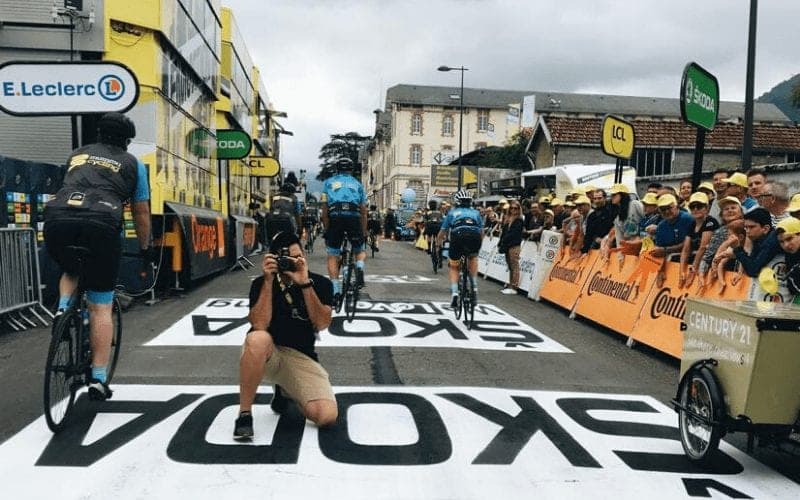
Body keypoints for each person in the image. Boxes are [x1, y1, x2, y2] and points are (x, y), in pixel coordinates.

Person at [43, 112, 152, 401]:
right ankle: (99, 379)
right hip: (101, 224)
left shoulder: (76, 155)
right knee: (101, 306)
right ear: (127, 141)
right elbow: (140, 211)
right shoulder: (133, 164)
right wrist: (145, 248)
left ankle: (61, 309)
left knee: (71, 266)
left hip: (57, 217)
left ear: (99, 135)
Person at [234, 231, 336, 439]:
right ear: (273, 259)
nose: (293, 261)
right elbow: (259, 324)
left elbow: (322, 323)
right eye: (286, 258)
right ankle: (244, 414)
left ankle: (287, 390)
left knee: (326, 416)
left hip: (301, 356)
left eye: (298, 256)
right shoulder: (260, 284)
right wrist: (269, 281)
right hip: (268, 353)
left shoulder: (320, 284)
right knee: (258, 338)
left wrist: (305, 283)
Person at [321, 158, 368, 303]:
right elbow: (364, 210)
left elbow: (324, 209)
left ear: (337, 169)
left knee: (332, 254)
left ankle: (335, 290)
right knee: (359, 249)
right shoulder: (357, 184)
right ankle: (359, 268)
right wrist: (364, 231)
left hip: (335, 216)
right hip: (353, 216)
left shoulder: (328, 183)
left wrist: (327, 228)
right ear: (351, 169)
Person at [437, 189, 483, 309]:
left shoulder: (452, 213)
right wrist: (479, 246)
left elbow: (443, 231)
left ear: (457, 201)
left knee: (454, 266)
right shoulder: (476, 213)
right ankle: (475, 288)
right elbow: (481, 231)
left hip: (458, 237)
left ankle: (455, 294)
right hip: (474, 237)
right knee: (473, 258)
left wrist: (438, 244)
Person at [719, 207, 780, 278]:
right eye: (746, 227)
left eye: (751, 227)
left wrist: (737, 248)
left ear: (765, 229)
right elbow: (750, 263)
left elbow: (753, 270)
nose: (747, 231)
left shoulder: (772, 241)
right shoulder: (757, 239)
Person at [697, 196, 744, 287]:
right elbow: (707, 257)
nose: (730, 210)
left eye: (733, 208)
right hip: (725, 273)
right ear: (721, 215)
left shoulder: (749, 226)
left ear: (741, 212)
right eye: (726, 209)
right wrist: (701, 274)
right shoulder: (719, 232)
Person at [678, 192, 719, 288]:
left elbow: (703, 247)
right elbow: (685, 249)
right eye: (692, 206)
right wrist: (681, 271)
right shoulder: (692, 224)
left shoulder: (710, 222)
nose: (695, 209)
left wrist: (693, 270)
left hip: (708, 260)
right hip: (696, 258)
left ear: (707, 208)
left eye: (699, 206)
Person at [498, 200, 524, 294]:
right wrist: (500, 242)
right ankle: (510, 284)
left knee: (514, 265)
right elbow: (504, 232)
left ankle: (514, 286)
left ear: (519, 209)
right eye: (512, 208)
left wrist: (505, 240)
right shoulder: (507, 219)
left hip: (514, 245)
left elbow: (513, 233)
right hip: (507, 244)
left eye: (516, 208)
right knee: (510, 266)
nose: (513, 210)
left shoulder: (519, 220)